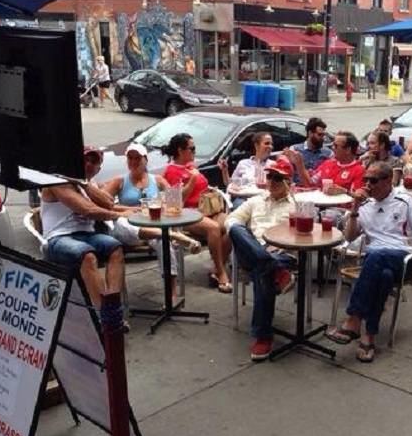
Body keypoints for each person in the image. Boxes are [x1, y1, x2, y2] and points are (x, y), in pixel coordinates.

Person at [325, 162, 412, 362]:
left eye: (373, 180)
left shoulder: (404, 200)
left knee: (376, 257)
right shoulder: (364, 204)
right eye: (365, 179)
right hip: (376, 264)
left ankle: (354, 319)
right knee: (383, 275)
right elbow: (349, 236)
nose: (367, 184)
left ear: (388, 181)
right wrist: (355, 208)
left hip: (405, 259)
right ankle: (369, 336)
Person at [98, 143, 201, 300]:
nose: (133, 161)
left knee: (163, 243)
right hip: (128, 229)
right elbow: (102, 202)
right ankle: (177, 237)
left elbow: (175, 202)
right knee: (122, 223)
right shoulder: (120, 181)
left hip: (152, 227)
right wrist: (125, 209)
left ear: (145, 160)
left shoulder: (157, 180)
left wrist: (190, 181)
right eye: (130, 158)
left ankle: (171, 294)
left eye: (137, 158)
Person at [225, 157, 298, 361]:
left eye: (278, 178)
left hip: (282, 253)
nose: (272, 181)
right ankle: (275, 270)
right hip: (254, 250)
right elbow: (231, 221)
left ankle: (263, 336)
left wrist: (281, 245)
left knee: (262, 272)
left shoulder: (297, 206)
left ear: (288, 182)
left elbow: (306, 234)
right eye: (270, 176)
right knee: (235, 228)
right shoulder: (255, 200)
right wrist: (257, 247)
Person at [40, 147, 127, 308]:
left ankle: (113, 307)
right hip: (58, 238)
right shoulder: (57, 180)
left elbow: (109, 203)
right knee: (87, 255)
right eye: (85, 159)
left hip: (87, 235)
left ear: (98, 169)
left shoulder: (87, 184)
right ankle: (105, 316)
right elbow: (88, 210)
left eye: (93, 162)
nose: (88, 164)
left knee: (116, 248)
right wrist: (121, 215)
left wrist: (85, 185)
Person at [161, 133, 232, 293]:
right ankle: (221, 273)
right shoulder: (172, 171)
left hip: (207, 209)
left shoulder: (191, 167)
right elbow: (175, 203)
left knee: (233, 226)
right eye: (191, 148)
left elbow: (204, 187)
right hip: (187, 213)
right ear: (180, 150)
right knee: (214, 228)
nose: (194, 151)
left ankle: (215, 268)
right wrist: (192, 181)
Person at [289, 131, 365, 194]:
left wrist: (343, 191)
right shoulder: (328, 163)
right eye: (332, 145)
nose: (332, 148)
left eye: (336, 146)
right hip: (321, 208)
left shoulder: (359, 170)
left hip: (342, 210)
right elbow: (310, 184)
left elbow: (357, 198)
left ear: (348, 150)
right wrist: (299, 165)